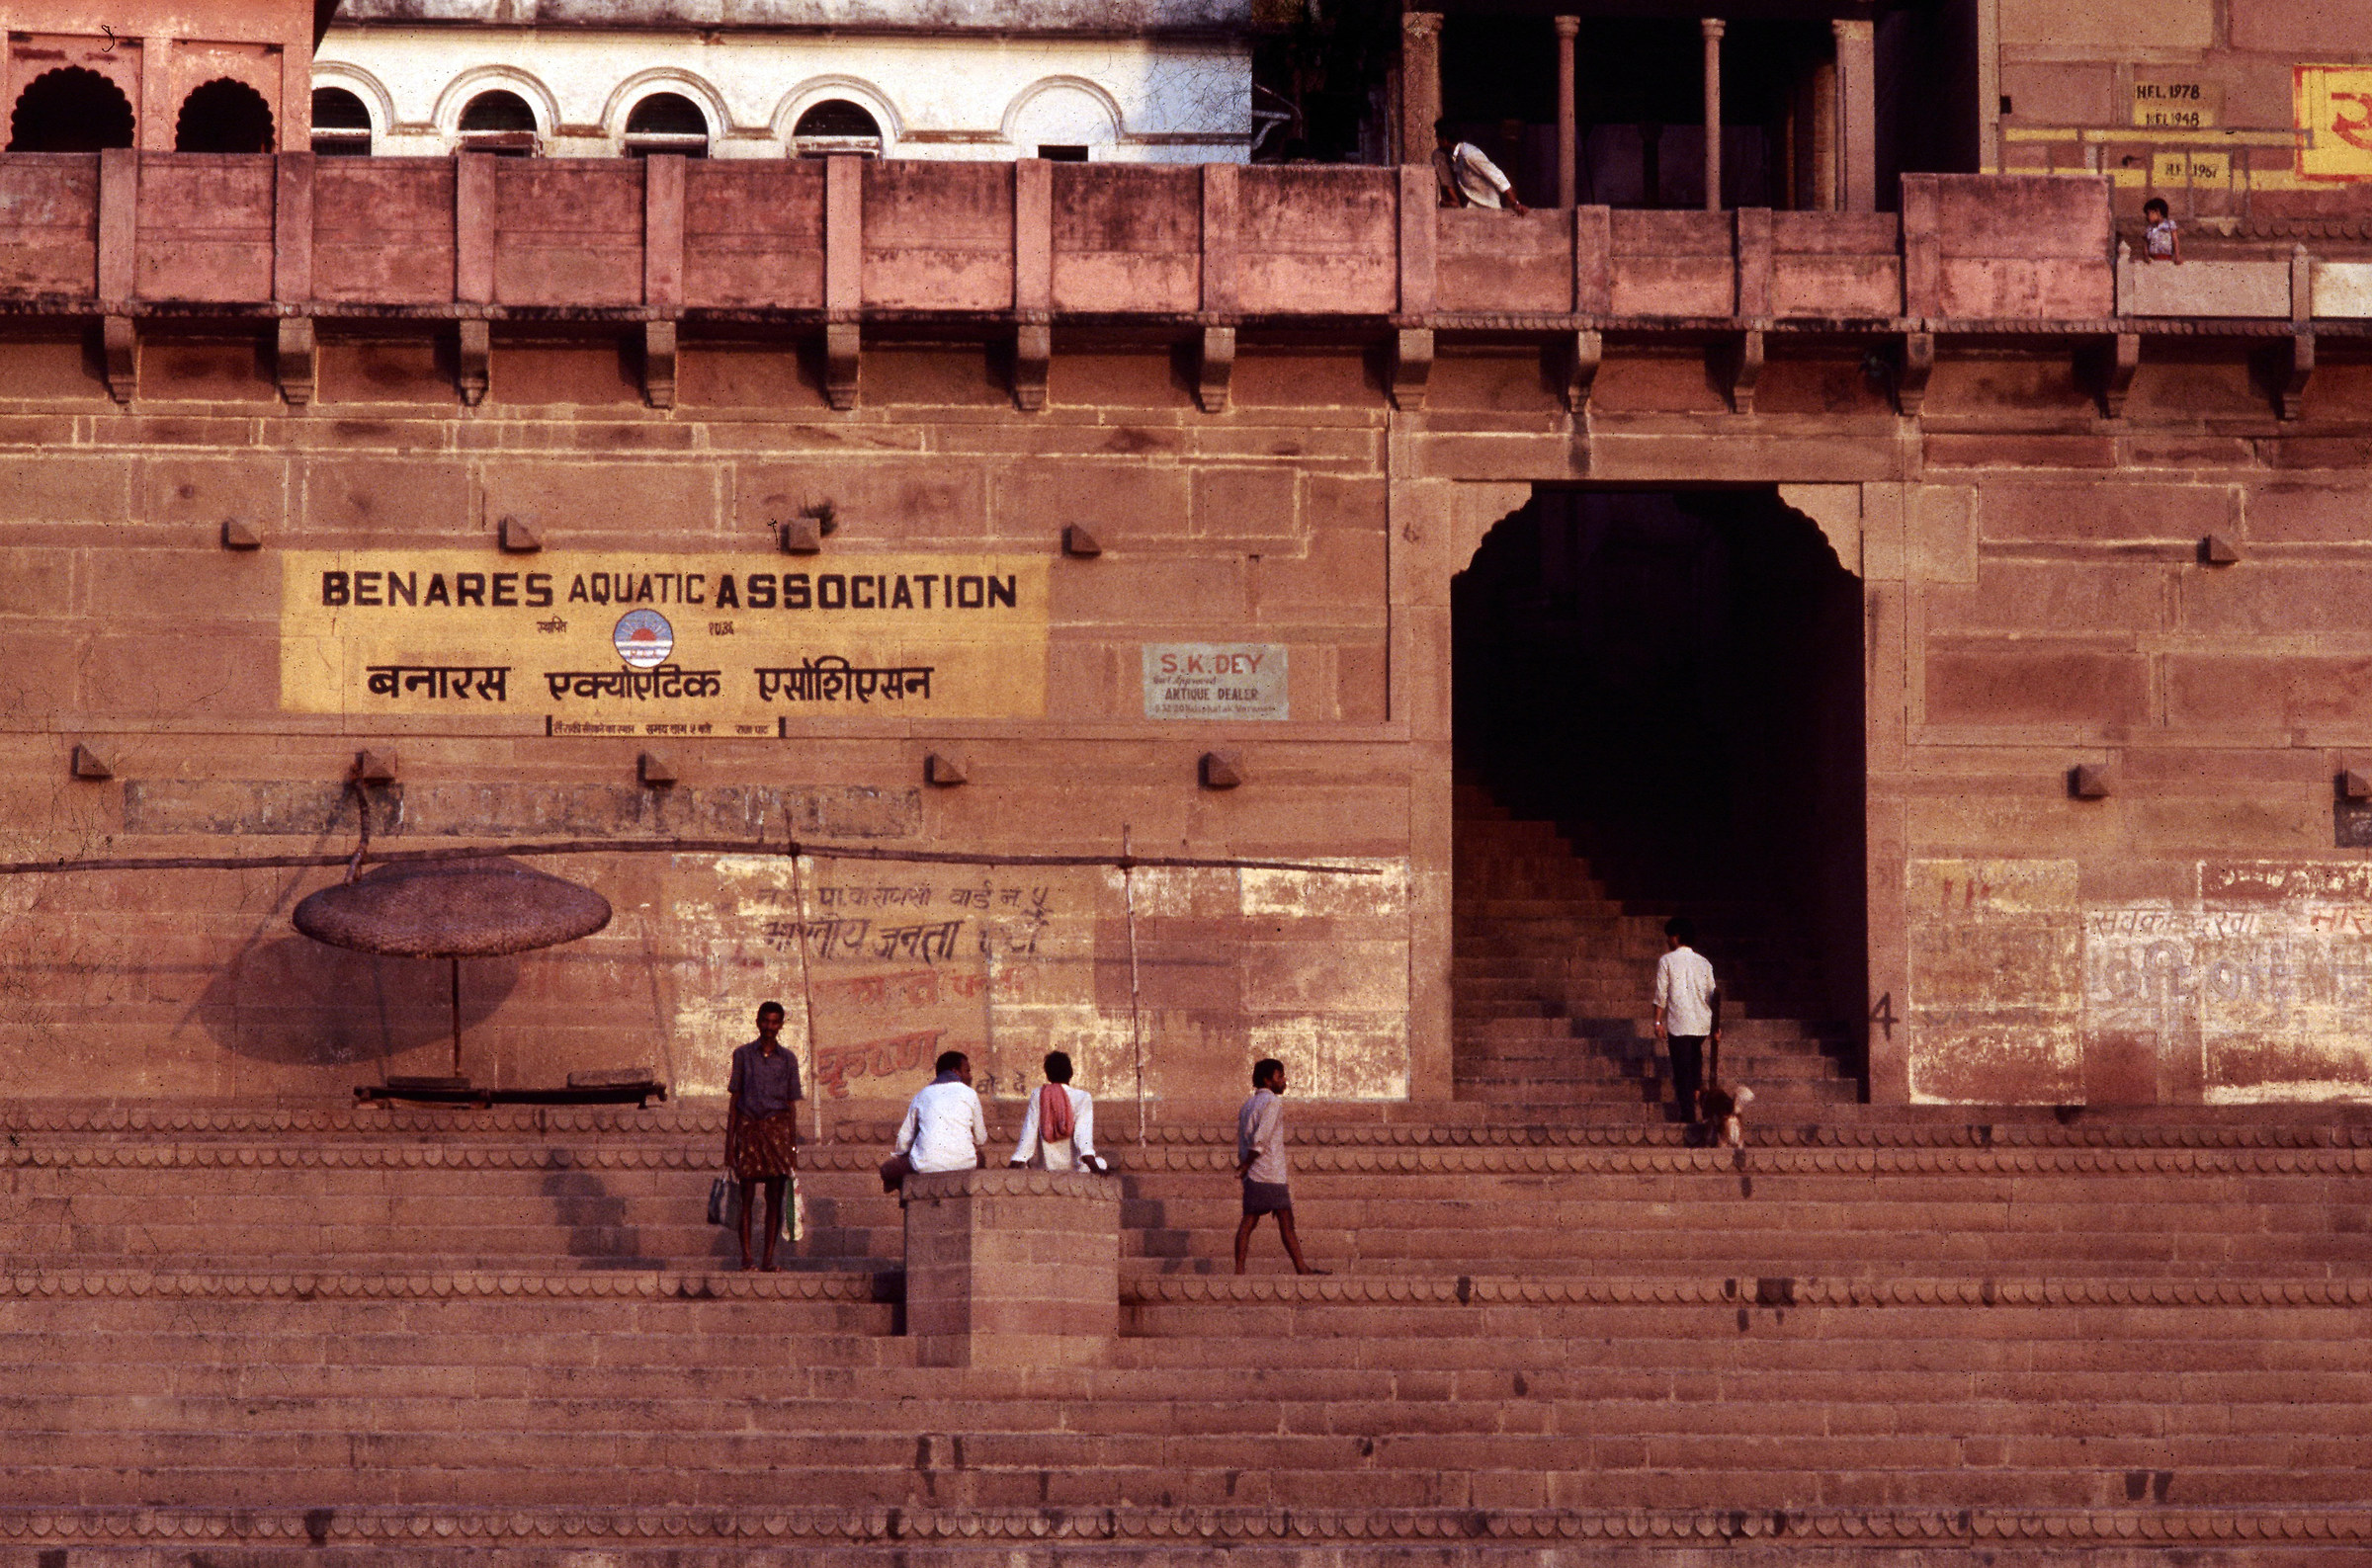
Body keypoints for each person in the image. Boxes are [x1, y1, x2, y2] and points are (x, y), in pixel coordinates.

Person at [723, 1001, 803, 1273]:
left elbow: (791, 1106)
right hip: (748, 1130)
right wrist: (729, 1147)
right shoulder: (743, 1055)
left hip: (777, 1134)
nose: (769, 1027)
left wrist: (792, 1148)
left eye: (775, 1022)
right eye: (765, 1022)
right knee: (746, 1196)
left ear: (781, 1024)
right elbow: (734, 1102)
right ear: (757, 1022)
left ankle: (768, 1259)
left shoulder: (789, 1059)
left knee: (775, 1198)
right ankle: (747, 1258)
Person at [1233, 1058, 1325, 1275]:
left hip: (1255, 1175)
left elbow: (1243, 1141)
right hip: (1270, 1173)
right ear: (1268, 1080)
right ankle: (1301, 1268)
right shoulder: (1272, 1103)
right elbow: (1260, 1138)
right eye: (1280, 1076)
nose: (1284, 1081)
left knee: (1249, 1222)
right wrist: (1246, 1164)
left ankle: (1239, 1270)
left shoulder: (1247, 1105)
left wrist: (1245, 1167)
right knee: (1285, 1222)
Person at [1652, 917, 1720, 1127]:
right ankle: (1701, 1104)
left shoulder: (1667, 961)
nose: (1668, 940)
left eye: (1670, 936)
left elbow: (1661, 993)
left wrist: (1657, 1022)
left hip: (1680, 1023)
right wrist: (1716, 1026)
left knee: (1682, 1070)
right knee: (1695, 1062)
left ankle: (1688, 1114)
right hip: (1701, 1023)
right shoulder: (1704, 963)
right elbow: (1713, 995)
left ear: (1677, 937)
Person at [1008, 1050, 1106, 1173]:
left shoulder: (1038, 1094)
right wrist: (1095, 1168)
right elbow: (1083, 1139)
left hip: (1045, 1168)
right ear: (1071, 1073)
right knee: (1102, 1163)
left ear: (1048, 1075)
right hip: (1075, 1168)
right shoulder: (1082, 1097)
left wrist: (1014, 1163)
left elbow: (1028, 1134)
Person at [895, 1048, 988, 1175]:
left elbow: (903, 1140)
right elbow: (981, 1138)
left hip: (924, 1165)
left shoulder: (922, 1094)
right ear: (955, 1071)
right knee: (981, 1158)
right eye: (967, 1071)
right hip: (964, 1163)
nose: (970, 1076)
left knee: (891, 1168)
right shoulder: (970, 1093)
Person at [1433, 120, 1529, 212]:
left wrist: (1514, 203)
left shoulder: (1469, 155)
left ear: (1445, 139)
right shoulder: (1451, 155)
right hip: (1470, 206)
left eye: (1437, 137)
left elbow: (1496, 175)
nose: (1436, 140)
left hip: (1487, 207)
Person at [2141, 198, 2181, 264]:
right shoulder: (2149, 228)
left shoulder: (2170, 224)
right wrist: (2146, 256)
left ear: (2157, 212)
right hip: (2152, 259)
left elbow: (2175, 241)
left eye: (2148, 214)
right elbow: (2146, 243)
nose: (2147, 217)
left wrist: (2177, 256)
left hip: (2167, 257)